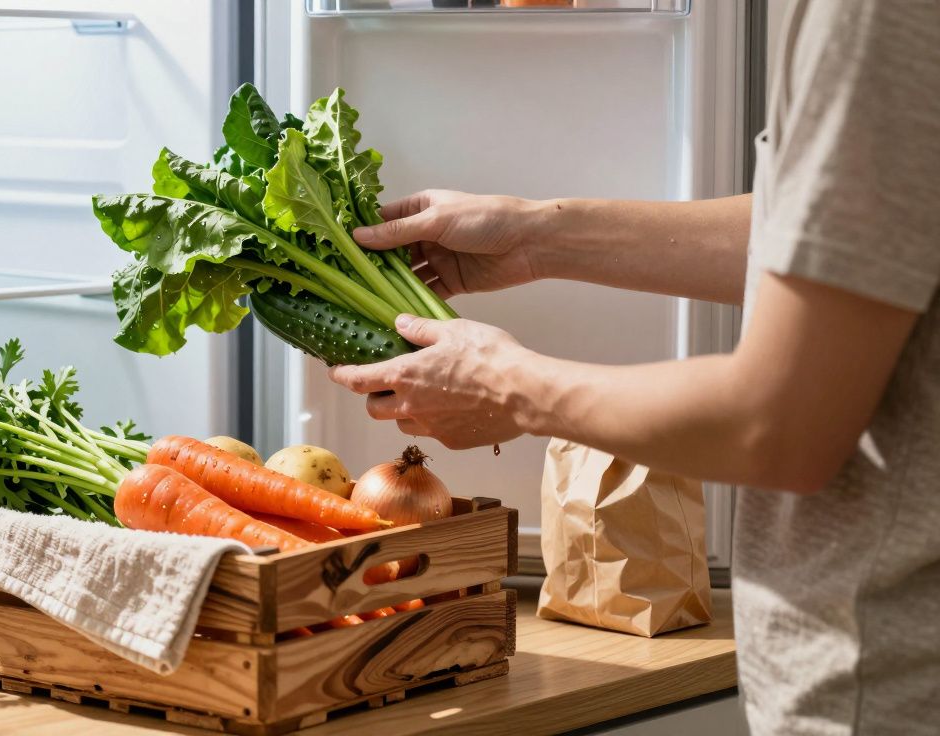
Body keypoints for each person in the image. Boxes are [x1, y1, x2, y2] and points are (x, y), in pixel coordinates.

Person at [328, 1, 940, 733]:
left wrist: (508, 385)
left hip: (893, 679)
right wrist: (536, 238)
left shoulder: (873, 14)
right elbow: (836, 231)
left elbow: (779, 425)